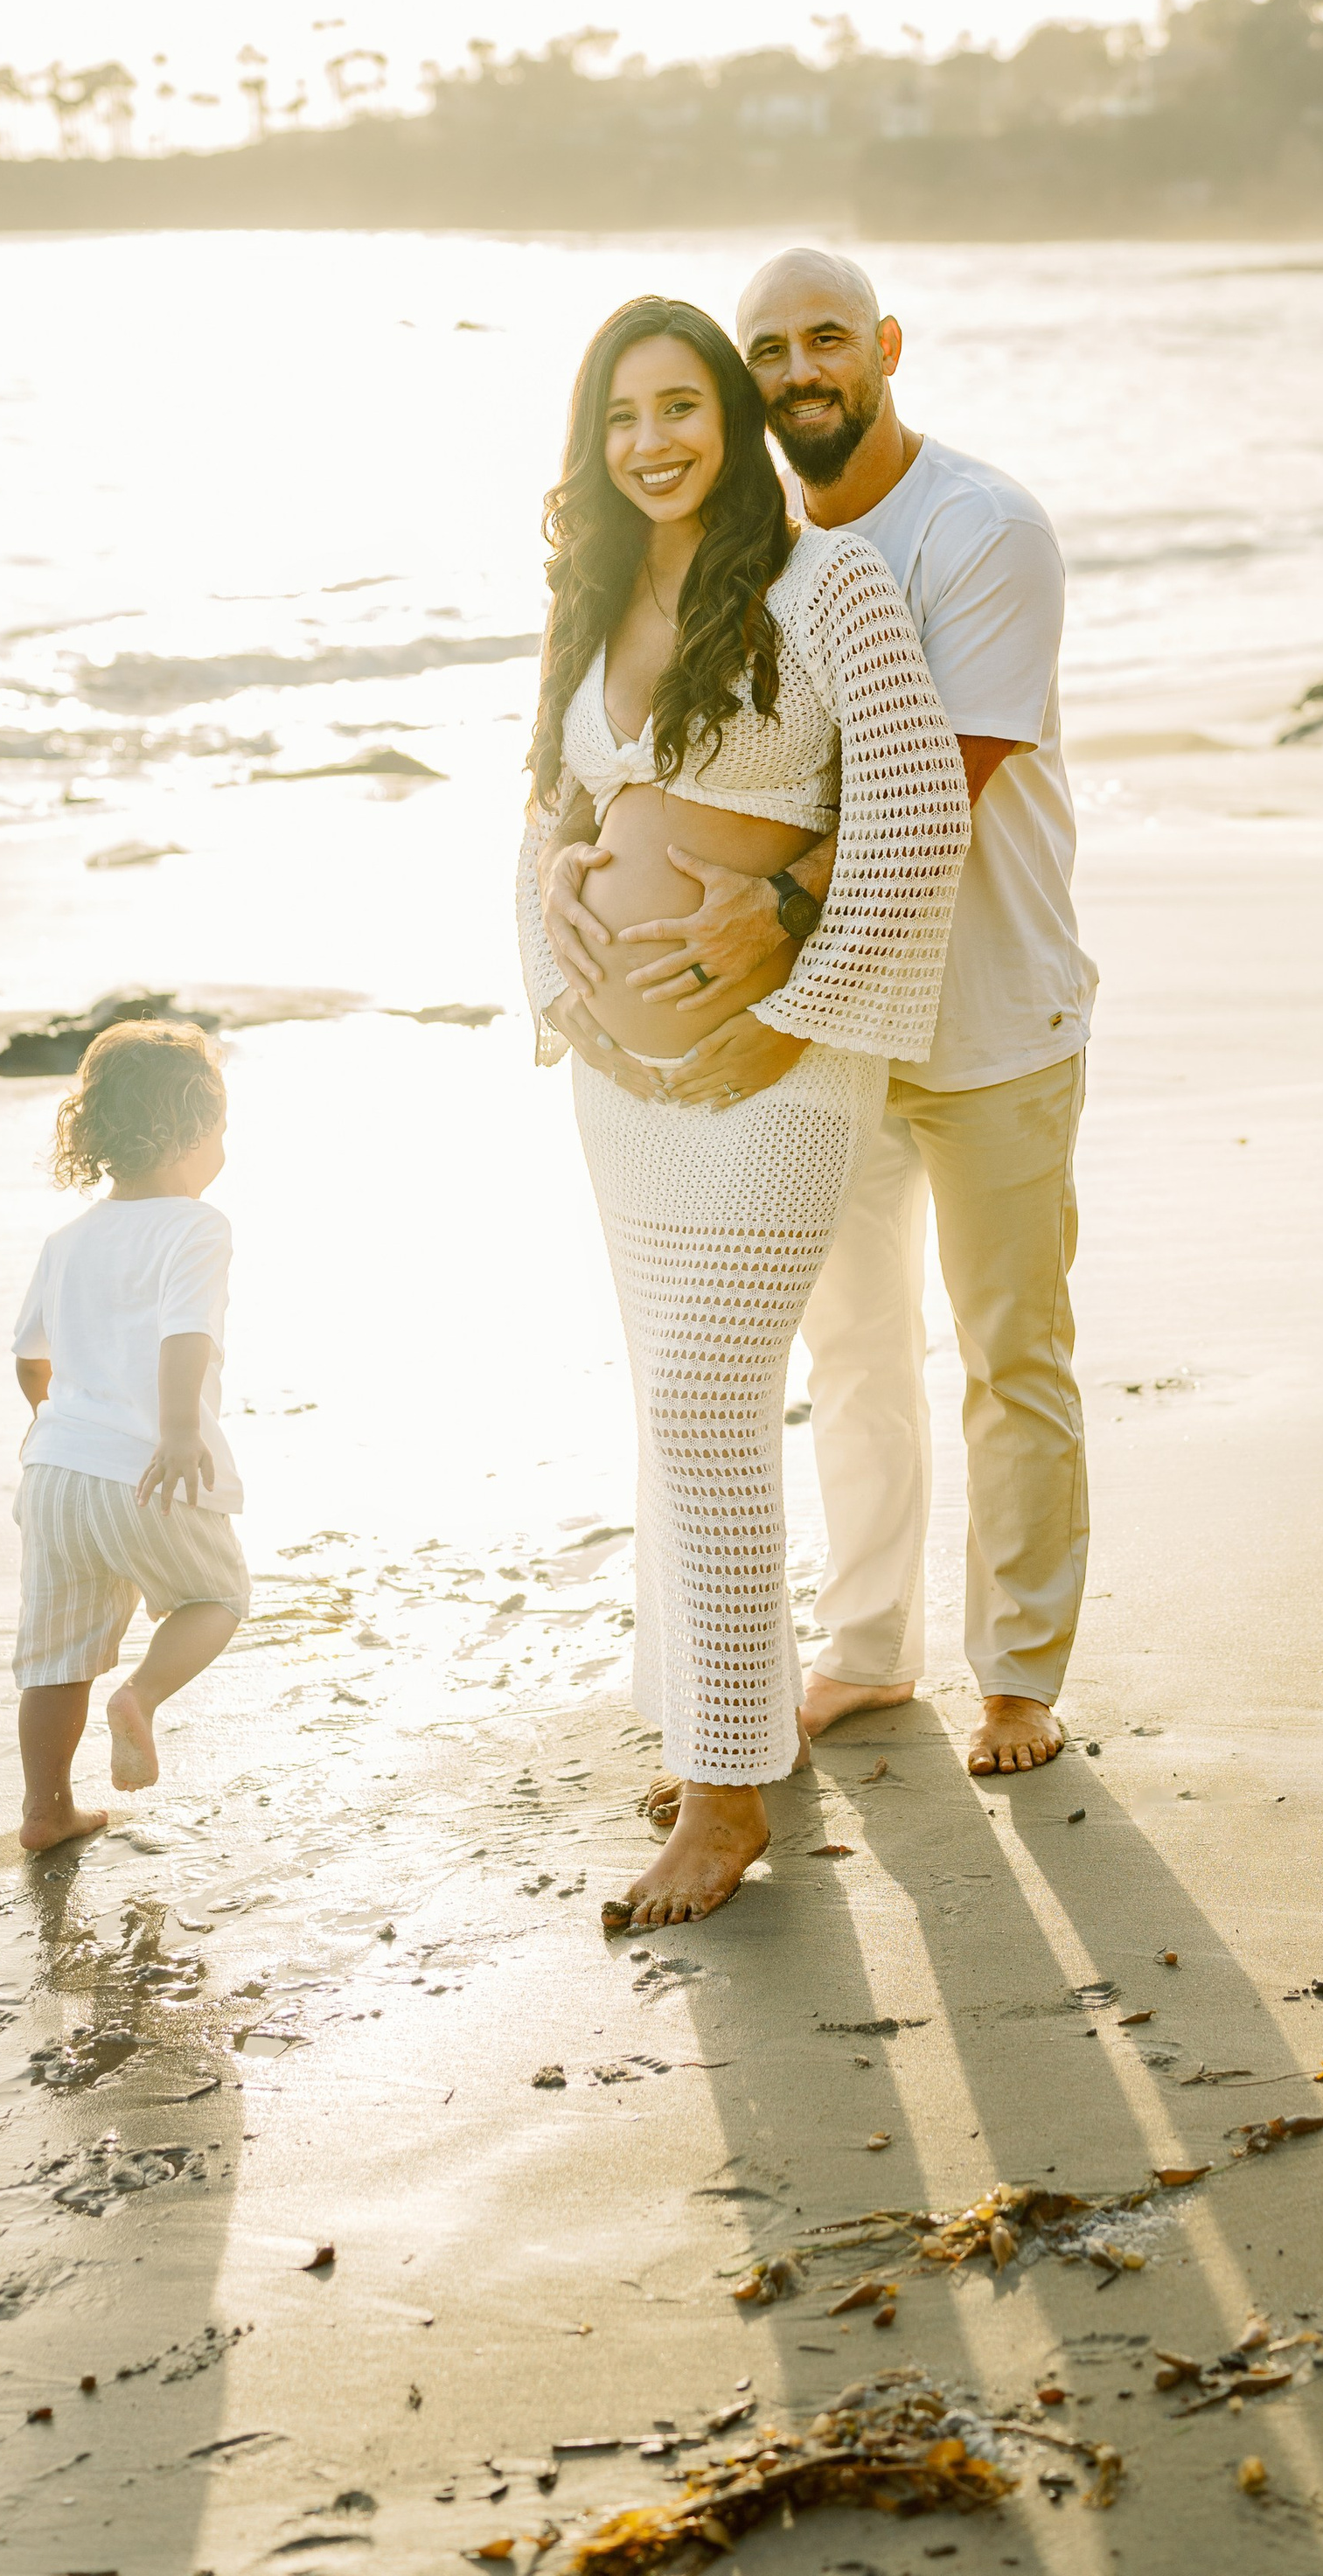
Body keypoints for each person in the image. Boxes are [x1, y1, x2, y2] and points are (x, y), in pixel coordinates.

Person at [542, 249, 1095, 1780]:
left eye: (827, 339)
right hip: (825, 1031)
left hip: (984, 1008)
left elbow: (932, 791)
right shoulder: (753, 552)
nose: (800, 370)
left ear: (886, 346)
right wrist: (588, 876)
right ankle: (865, 1648)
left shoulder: (975, 531)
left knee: (1009, 1349)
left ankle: (1019, 1672)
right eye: (771, 348)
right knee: (852, 1350)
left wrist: (774, 921)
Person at [519, 295, 970, 1929]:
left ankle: (730, 1798)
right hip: (620, 1087)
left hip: (779, 1069)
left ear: (730, 414)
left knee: (711, 1394)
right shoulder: (592, 593)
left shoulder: (824, 583)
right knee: (672, 1402)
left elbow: (919, 819)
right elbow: (548, 813)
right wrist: (561, 977)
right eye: (621, 415)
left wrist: (784, 1006)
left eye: (680, 406)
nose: (653, 441)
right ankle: (713, 1721)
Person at [10, 1020, 252, 1851]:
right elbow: (187, 1333)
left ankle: (46, 1810)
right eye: (221, 1128)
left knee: (56, 1657)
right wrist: (179, 1430)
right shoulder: (196, 1226)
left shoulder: (67, 1240)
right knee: (215, 1597)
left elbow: (30, 1360)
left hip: (54, 1475)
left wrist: (51, 1432)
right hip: (145, 1468)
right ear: (189, 1132)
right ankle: (140, 1697)